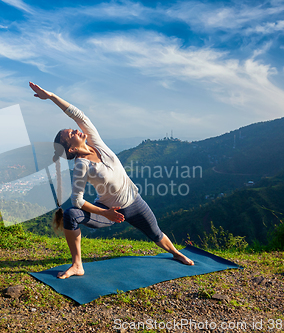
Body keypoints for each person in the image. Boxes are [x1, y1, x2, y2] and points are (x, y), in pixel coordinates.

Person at [29, 82, 194, 279]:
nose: (75, 130)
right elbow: (77, 201)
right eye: (71, 134)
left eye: (72, 129)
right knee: (71, 214)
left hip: (134, 202)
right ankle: (77, 265)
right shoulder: (81, 166)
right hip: (108, 211)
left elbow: (79, 115)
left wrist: (52, 96)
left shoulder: (95, 141)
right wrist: (105, 212)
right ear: (71, 149)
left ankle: (176, 254)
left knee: (156, 233)